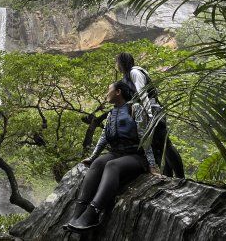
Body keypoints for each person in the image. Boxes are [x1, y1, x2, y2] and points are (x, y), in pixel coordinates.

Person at [65, 81, 159, 232]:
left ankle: (92, 214)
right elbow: (103, 138)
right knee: (98, 164)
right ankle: (77, 213)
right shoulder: (111, 113)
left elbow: (145, 138)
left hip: (136, 156)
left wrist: (152, 165)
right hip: (116, 153)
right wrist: (93, 157)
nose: (106, 94)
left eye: (109, 90)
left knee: (111, 166)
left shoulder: (135, 108)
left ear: (118, 92)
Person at [116, 52, 185, 178]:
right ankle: (167, 176)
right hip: (143, 112)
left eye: (118, 62)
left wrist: (149, 115)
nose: (117, 65)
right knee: (155, 146)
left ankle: (181, 177)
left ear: (122, 62)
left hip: (152, 110)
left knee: (165, 143)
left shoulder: (134, 73)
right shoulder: (126, 77)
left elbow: (143, 94)